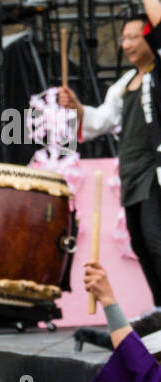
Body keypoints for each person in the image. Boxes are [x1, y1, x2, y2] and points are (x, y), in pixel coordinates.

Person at [59, 7, 161, 305]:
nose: (126, 44)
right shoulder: (124, 83)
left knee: (157, 243)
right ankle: (159, 310)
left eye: (134, 37)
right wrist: (76, 107)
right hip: (131, 176)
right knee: (142, 245)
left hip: (155, 173)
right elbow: (100, 121)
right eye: (124, 37)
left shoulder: (158, 77)